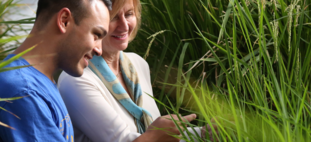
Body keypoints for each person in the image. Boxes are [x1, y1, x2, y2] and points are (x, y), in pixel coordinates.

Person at [57, 0, 204, 141]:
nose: (124, 26)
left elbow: (158, 137)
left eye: (128, 14)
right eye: (113, 17)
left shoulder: (138, 63)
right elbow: (131, 140)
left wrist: (204, 134)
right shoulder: (76, 78)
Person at [0, 0, 112, 141]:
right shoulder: (24, 92)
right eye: (96, 35)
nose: (99, 50)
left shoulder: (33, 81)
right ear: (64, 20)